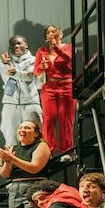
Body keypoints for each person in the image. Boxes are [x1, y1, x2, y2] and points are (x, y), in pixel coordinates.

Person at [0, 35, 42, 167]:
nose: (16, 46)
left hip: (30, 101)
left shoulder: (34, 60)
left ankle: (37, 157)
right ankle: (8, 159)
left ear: (26, 44)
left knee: (35, 130)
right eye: (13, 44)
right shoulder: (5, 61)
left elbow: (30, 75)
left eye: (19, 43)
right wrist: (4, 63)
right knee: (9, 130)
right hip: (11, 102)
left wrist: (16, 73)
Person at [34, 25, 74, 160]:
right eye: (48, 33)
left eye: (54, 32)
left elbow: (67, 58)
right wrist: (41, 66)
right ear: (46, 37)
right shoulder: (42, 51)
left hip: (66, 86)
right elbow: (35, 71)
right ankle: (48, 151)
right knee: (49, 119)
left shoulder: (68, 47)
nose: (51, 34)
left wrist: (56, 47)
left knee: (65, 119)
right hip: (49, 87)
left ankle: (66, 151)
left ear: (60, 34)